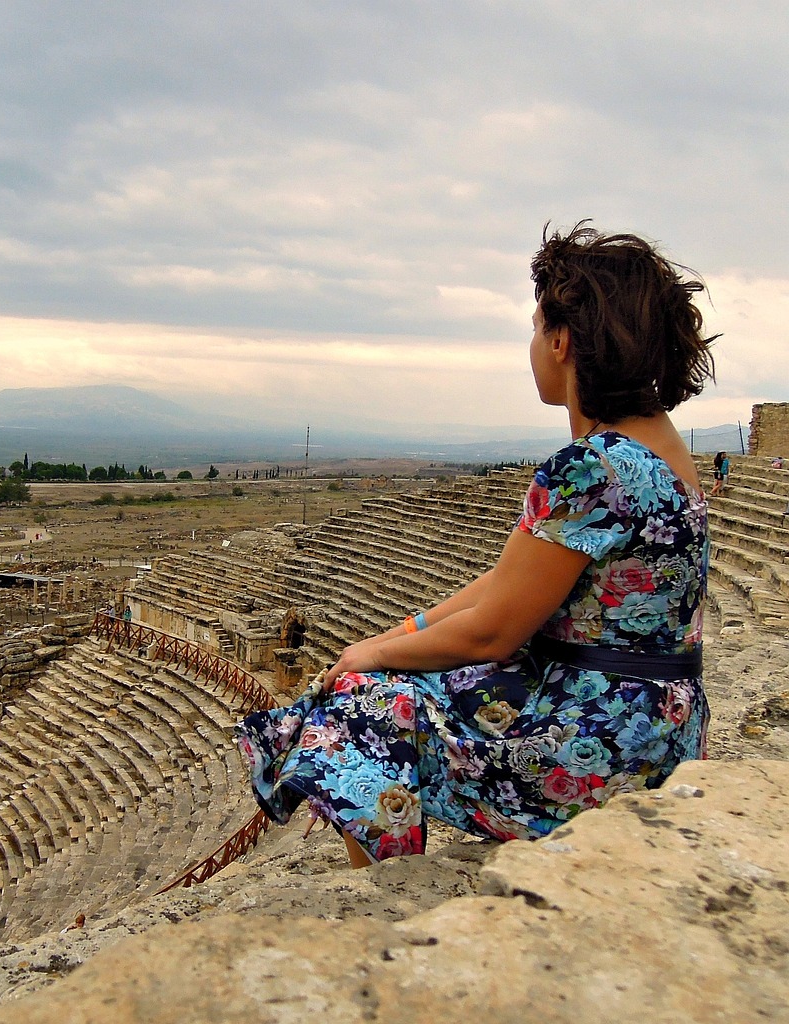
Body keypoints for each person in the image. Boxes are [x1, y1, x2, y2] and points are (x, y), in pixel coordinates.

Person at [236, 222, 717, 867]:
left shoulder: (589, 466)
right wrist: (414, 626)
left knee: (354, 706)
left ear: (564, 341)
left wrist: (369, 654)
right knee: (401, 678)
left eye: (536, 329)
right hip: (664, 725)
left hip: (597, 743)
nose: (532, 348)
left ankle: (385, 885)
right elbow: (509, 583)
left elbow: (493, 634)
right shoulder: (666, 450)